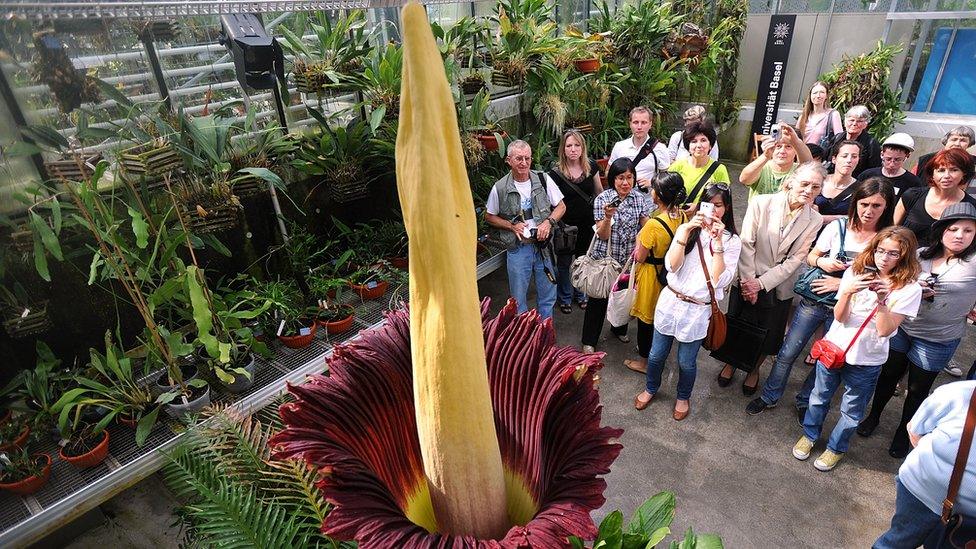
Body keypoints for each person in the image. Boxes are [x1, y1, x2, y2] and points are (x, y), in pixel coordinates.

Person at [747, 178, 896, 418]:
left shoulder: (887, 238)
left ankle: (804, 401)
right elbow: (811, 256)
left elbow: (892, 276)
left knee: (824, 359)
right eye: (864, 204)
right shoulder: (838, 226)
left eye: (876, 206)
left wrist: (841, 283)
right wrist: (823, 261)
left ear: (887, 207)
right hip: (815, 299)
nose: (868, 211)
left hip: (849, 309)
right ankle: (769, 395)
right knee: (787, 352)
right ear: (855, 202)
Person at [793, 226, 922, 472]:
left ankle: (836, 448)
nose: (884, 258)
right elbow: (840, 317)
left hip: (867, 358)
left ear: (904, 256)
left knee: (852, 410)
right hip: (836, 346)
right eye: (880, 251)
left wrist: (883, 302)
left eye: (893, 253)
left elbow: (885, 331)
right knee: (819, 397)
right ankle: (809, 435)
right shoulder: (856, 271)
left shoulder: (910, 289)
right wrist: (848, 292)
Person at [857, 203, 976, 458]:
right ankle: (873, 416)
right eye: (953, 228)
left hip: (938, 338)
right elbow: (893, 278)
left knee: (917, 389)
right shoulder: (919, 255)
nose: (959, 235)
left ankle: (905, 431)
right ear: (942, 230)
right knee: (888, 376)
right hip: (903, 328)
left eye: (968, 230)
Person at [634, 184, 741, 420]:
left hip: (697, 310)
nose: (712, 210)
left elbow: (718, 279)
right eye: (708, 204)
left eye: (718, 205)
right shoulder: (686, 229)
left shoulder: (731, 241)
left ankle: (683, 396)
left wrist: (718, 244)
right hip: (671, 300)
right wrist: (684, 233)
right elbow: (672, 266)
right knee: (655, 354)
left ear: (727, 208)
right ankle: (651, 388)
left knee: (686, 361)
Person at [717, 162, 825, 395]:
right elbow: (746, 242)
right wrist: (749, 281)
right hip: (748, 275)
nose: (808, 190)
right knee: (738, 323)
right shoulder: (762, 202)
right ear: (791, 182)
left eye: (815, 187)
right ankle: (731, 362)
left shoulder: (814, 219)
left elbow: (797, 259)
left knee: (769, 334)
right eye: (804, 184)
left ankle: (754, 369)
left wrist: (761, 283)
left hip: (778, 285)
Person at [873, 380, 976, 549]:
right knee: (897, 543)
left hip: (969, 519)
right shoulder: (958, 394)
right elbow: (914, 429)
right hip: (923, 495)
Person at [484, 140, 566, 319]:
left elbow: (561, 206)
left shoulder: (543, 179)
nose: (523, 163)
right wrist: (511, 226)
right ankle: (524, 339)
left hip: (544, 247)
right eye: (519, 159)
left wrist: (548, 223)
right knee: (518, 299)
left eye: (527, 159)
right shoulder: (500, 187)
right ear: (509, 160)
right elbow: (489, 216)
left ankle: (545, 335)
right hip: (518, 248)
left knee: (547, 296)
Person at [580, 158, 651, 353]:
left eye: (629, 177)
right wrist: (608, 216)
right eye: (621, 178)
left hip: (629, 260)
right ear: (613, 179)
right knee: (598, 299)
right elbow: (602, 235)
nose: (625, 182)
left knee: (623, 297)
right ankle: (589, 340)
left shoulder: (639, 199)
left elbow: (646, 227)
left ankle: (618, 328)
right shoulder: (603, 200)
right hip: (604, 259)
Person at [624, 172, 688, 374]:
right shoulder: (682, 216)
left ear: (658, 195)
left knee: (646, 320)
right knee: (662, 316)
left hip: (651, 275)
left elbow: (640, 257)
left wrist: (638, 238)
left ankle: (644, 361)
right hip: (670, 275)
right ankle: (658, 351)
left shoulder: (653, 224)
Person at [548, 130, 603, 314]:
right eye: (569, 145)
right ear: (563, 149)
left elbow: (599, 193)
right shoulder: (555, 173)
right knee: (564, 263)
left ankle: (581, 294)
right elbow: (552, 203)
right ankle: (564, 296)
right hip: (565, 226)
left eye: (577, 145)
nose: (573, 149)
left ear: (583, 147)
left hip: (587, 224)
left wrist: (602, 218)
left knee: (583, 260)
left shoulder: (591, 167)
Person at [896, 148, 976, 245]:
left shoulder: (971, 206)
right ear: (932, 174)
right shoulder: (912, 196)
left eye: (954, 170)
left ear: (964, 174)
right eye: (941, 170)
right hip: (905, 256)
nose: (947, 175)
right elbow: (891, 231)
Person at [738, 122, 813, 200]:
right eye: (778, 146)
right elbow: (744, 179)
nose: (782, 151)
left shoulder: (799, 170)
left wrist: (796, 141)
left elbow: (810, 167)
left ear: (796, 150)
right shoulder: (762, 167)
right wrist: (765, 156)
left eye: (788, 146)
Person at [667, 121, 731, 206]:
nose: (699, 145)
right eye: (694, 141)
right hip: (677, 217)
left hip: (705, 217)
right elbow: (666, 196)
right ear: (688, 146)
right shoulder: (677, 166)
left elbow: (724, 200)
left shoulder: (719, 169)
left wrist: (697, 207)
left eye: (703, 140)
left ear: (710, 145)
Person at [608, 106, 671, 193]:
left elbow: (667, 179)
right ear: (630, 124)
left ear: (650, 124)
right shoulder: (619, 147)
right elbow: (608, 172)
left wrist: (652, 183)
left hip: (648, 202)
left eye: (644, 122)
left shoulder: (660, 148)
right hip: (622, 201)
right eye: (635, 122)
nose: (639, 127)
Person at [856, 133, 922, 198]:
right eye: (888, 159)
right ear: (882, 154)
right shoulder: (867, 175)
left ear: (906, 157)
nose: (892, 164)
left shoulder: (913, 182)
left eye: (897, 160)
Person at [825, 105, 881, 178]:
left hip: (857, 184)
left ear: (865, 124)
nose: (854, 124)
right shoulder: (837, 138)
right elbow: (827, 160)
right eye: (851, 120)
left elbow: (874, 170)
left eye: (859, 121)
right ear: (845, 121)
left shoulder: (871, 144)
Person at [815, 140, 862, 225]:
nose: (849, 160)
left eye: (854, 156)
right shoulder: (818, 180)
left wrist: (822, 218)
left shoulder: (861, 189)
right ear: (834, 159)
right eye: (844, 156)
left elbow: (859, 218)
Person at [797, 81, 843, 147]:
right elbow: (795, 138)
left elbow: (839, 140)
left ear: (826, 96)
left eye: (822, 92)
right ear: (810, 96)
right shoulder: (803, 116)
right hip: (802, 155)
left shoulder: (833, 115)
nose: (818, 96)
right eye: (815, 93)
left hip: (820, 156)